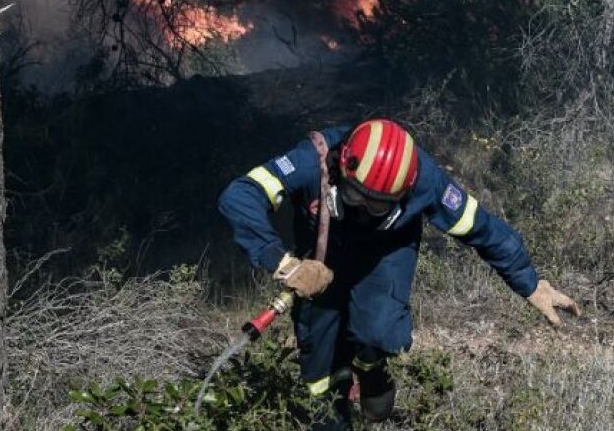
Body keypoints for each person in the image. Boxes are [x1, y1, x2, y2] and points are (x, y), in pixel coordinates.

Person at [218, 119, 580, 429]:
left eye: (376, 204)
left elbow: (481, 228)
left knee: (378, 327)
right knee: (319, 360)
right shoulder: (314, 158)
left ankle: (370, 362)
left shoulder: (427, 182)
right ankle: (331, 416)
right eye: (355, 196)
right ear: (344, 165)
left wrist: (530, 284)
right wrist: (286, 265)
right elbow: (240, 195)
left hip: (385, 251)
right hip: (320, 258)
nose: (362, 208)